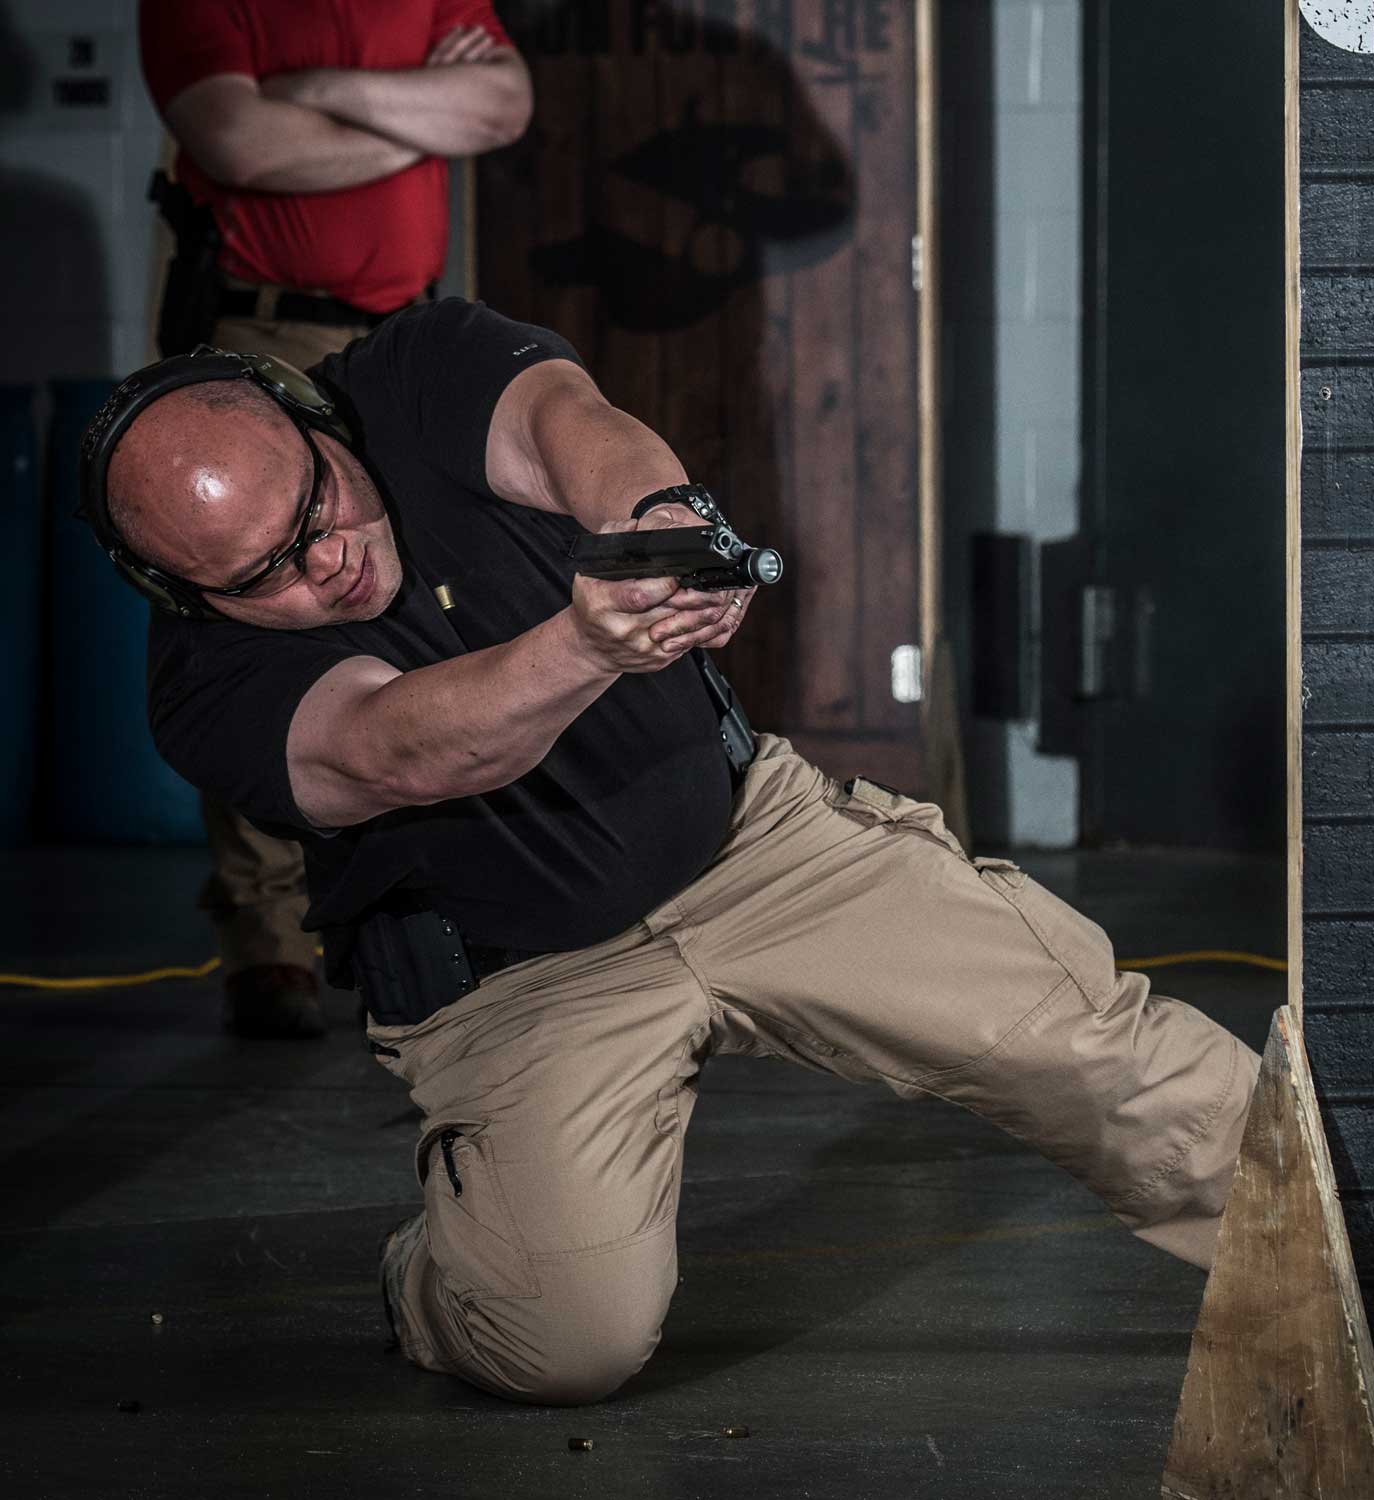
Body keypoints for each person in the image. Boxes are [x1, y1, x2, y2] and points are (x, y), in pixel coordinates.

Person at [81, 297, 1259, 1407]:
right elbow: (401, 747)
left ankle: (1359, 1264)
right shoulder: (200, 691)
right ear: (180, 592)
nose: (323, 555)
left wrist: (655, 521)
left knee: (1101, 1054)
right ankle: (432, 1277)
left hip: (756, 844)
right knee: (565, 1345)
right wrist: (590, 645)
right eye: (265, 572)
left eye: (316, 501)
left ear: (309, 416)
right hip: (521, 981)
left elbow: (567, 426)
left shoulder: (410, 369)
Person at [139, 0, 532, 1038]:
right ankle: (269, 937)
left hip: (404, 336)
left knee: (434, 595)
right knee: (248, 620)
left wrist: (318, 96)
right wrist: (421, 114)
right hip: (263, 332)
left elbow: (501, 107)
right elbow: (237, 140)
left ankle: (444, 903)